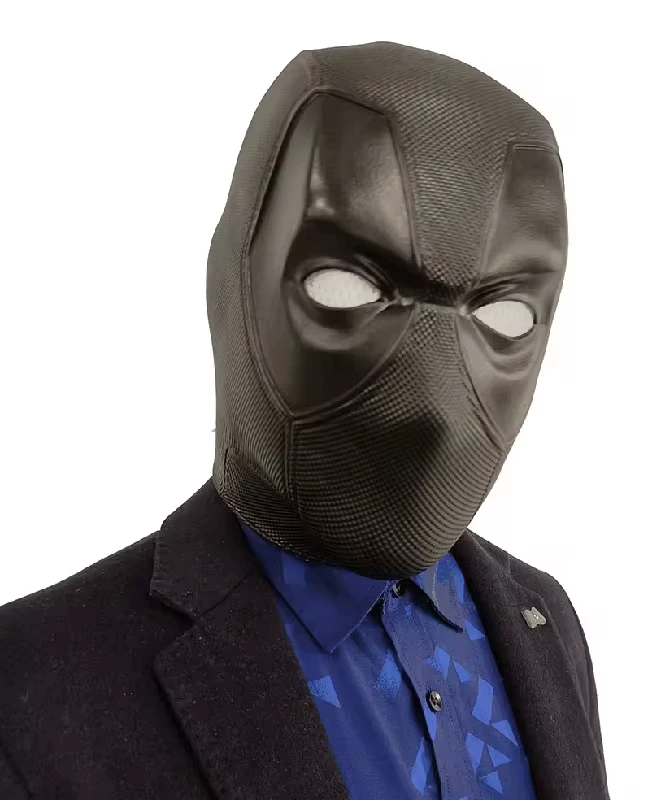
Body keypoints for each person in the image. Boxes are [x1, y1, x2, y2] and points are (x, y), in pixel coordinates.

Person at [0, 41, 609, 800]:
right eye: (348, 287)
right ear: (235, 275)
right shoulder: (33, 692)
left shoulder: (542, 625)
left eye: (505, 313)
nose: (429, 410)